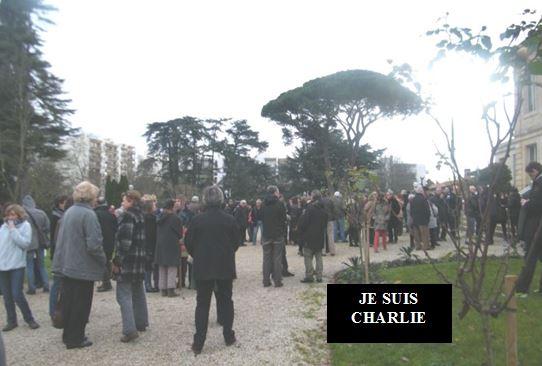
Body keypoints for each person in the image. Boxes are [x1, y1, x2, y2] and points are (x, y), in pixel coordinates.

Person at [185, 185, 240, 355]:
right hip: (224, 264)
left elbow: (189, 243)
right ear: (221, 199)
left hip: (203, 265)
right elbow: (236, 242)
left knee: (202, 304)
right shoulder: (229, 219)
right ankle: (228, 336)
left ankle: (198, 342)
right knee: (226, 300)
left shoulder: (197, 220)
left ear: (204, 200)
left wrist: (199, 255)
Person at [52, 181, 106, 349]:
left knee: (68, 302)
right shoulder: (89, 215)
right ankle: (76, 338)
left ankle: (68, 334)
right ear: (91, 197)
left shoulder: (68, 212)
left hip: (67, 265)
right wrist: (103, 260)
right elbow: (94, 244)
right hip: (82, 267)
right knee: (81, 304)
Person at [113, 190, 149, 343]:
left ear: (131, 200)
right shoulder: (141, 215)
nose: (122, 203)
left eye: (124, 200)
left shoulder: (128, 216)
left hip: (128, 261)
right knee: (138, 292)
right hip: (139, 260)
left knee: (123, 295)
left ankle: (129, 329)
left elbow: (125, 242)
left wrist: (117, 261)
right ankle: (141, 322)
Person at [0, 204, 40, 331]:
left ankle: (29, 319)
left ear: (19, 215)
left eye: (13, 214)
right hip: (3, 265)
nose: (10, 217)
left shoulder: (25, 226)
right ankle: (11, 320)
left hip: (17, 264)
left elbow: (24, 243)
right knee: (6, 296)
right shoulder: (3, 227)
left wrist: (13, 230)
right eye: (8, 215)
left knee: (17, 293)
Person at [516, 162, 542, 294]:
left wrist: (526, 203)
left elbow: (537, 204)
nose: (530, 176)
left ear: (535, 170)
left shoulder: (539, 183)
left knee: (530, 257)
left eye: (530, 173)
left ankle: (521, 288)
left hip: (536, 227)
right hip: (537, 226)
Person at [22, 195, 50, 294]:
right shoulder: (41, 213)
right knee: (41, 265)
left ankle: (32, 288)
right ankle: (46, 285)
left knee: (29, 266)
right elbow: (47, 227)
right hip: (40, 241)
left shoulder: (23, 214)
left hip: (29, 242)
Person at [298, 190, 328, 283]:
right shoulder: (323, 208)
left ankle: (309, 276)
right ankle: (319, 276)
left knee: (308, 256)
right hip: (319, 235)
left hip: (309, 235)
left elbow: (304, 222)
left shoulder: (310, 208)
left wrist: (301, 231)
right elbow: (325, 223)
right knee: (319, 256)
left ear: (313, 197)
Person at [155, 199, 183, 297]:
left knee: (162, 266)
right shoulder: (175, 218)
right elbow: (180, 233)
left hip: (160, 243)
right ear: (172, 207)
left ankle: (163, 289)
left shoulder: (159, 217)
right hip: (172, 244)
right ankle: (171, 289)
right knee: (172, 266)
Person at [261, 185, 287, 287]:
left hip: (266, 233)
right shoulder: (280, 204)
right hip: (278, 234)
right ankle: (277, 281)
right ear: (275, 192)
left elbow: (261, 217)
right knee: (277, 258)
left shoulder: (263, 204)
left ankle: (266, 281)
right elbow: (283, 218)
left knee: (266, 258)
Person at [95, 197, 118, 292]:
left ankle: (106, 282)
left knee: (101, 261)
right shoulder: (111, 215)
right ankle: (108, 279)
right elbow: (116, 228)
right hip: (110, 241)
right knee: (108, 260)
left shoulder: (95, 214)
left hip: (100, 240)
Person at [142, 198, 159, 292]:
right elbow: (152, 233)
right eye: (154, 205)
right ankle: (147, 284)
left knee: (147, 265)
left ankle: (147, 284)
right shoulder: (151, 218)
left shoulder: (145, 217)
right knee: (148, 265)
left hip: (146, 242)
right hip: (150, 243)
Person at [410, 186, 430, 250]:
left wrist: (413, 217)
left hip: (415, 220)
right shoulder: (424, 199)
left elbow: (411, 210)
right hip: (423, 220)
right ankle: (426, 246)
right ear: (422, 191)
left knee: (417, 235)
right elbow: (427, 209)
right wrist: (428, 218)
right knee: (424, 234)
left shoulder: (413, 199)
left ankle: (418, 246)